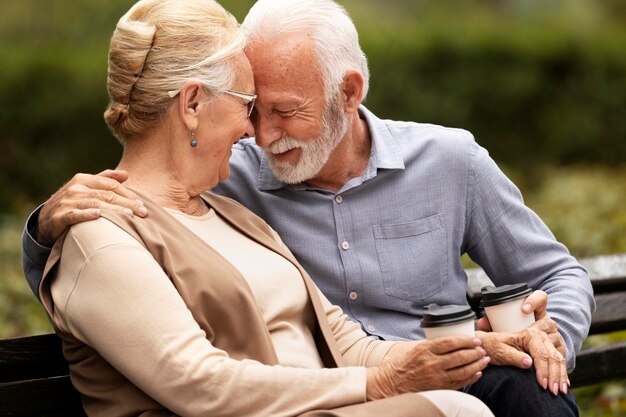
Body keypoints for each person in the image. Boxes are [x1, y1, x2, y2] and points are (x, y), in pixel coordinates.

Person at [21, 0, 593, 415]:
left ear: (349, 93)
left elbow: (556, 275)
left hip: (423, 371)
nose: (261, 135)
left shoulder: (448, 160)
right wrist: (45, 228)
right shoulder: (226, 182)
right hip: (342, 392)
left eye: (283, 111)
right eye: (250, 106)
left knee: (529, 394)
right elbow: (129, 210)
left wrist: (540, 345)